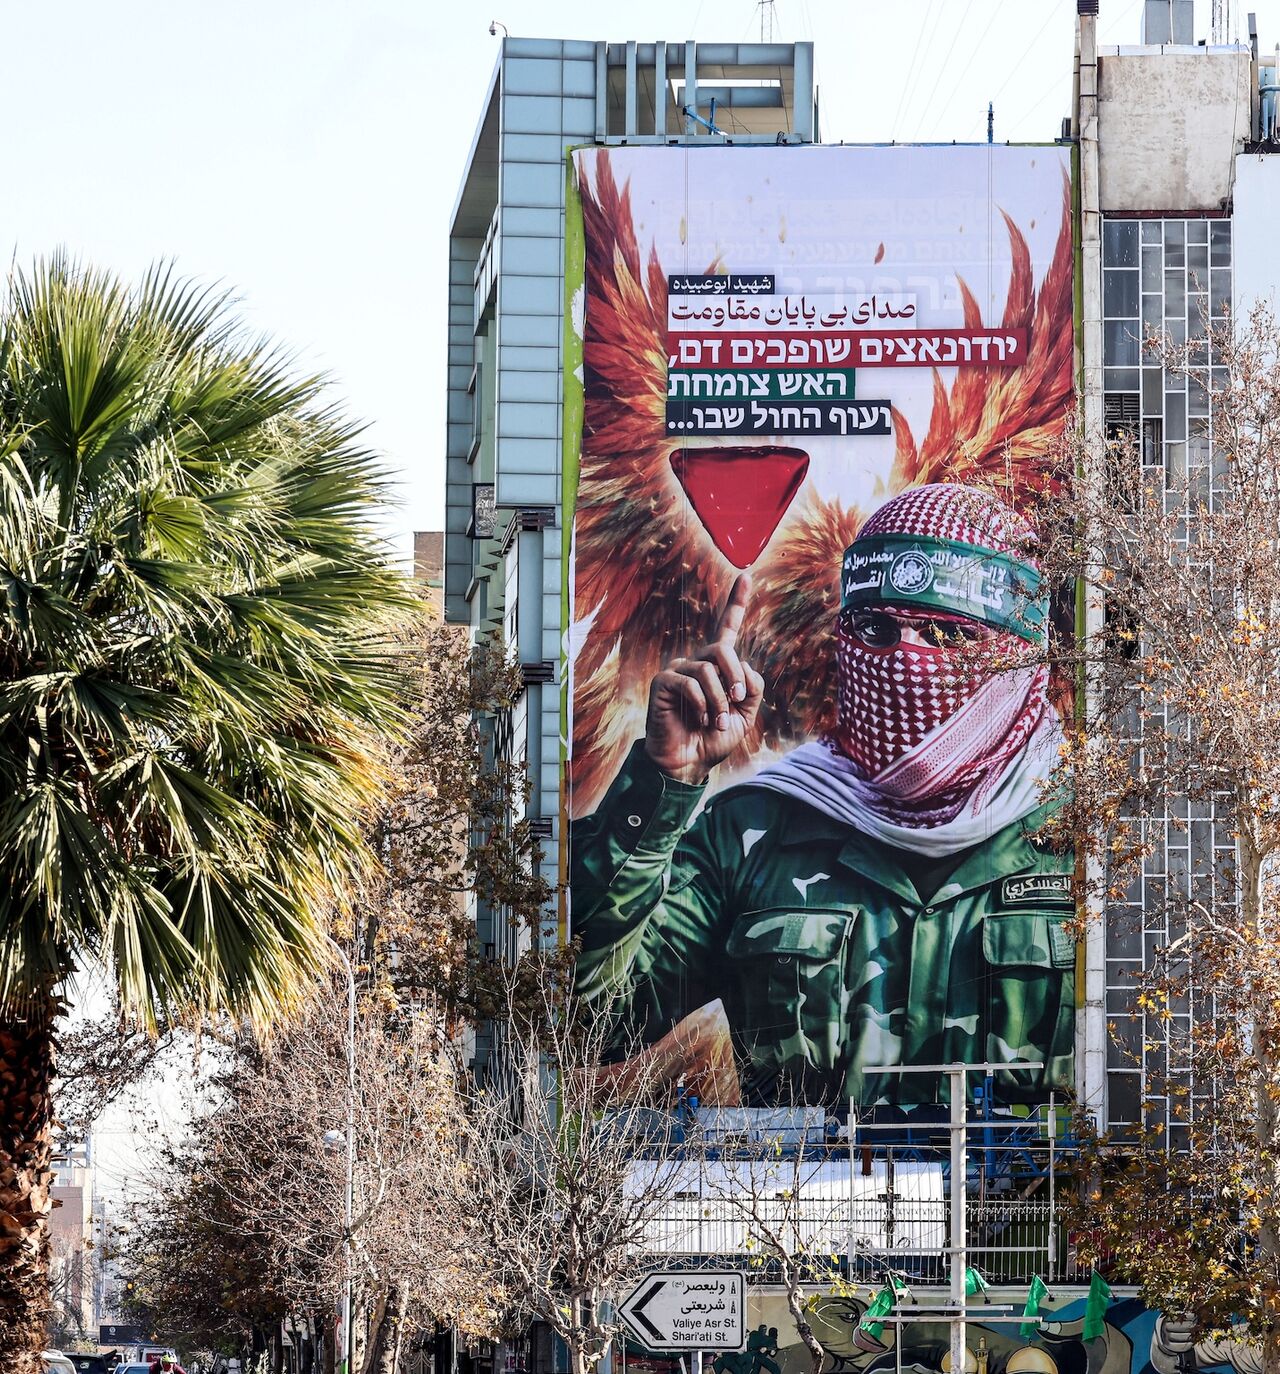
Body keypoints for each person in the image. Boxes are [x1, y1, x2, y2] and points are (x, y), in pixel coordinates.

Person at [572, 483, 1074, 1108]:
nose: (907, 659)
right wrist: (661, 779)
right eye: (877, 628)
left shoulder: (1090, 836)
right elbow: (591, 1020)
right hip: (805, 1203)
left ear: (1019, 653)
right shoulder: (755, 831)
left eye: (947, 635)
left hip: (1029, 1204)